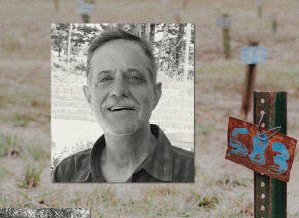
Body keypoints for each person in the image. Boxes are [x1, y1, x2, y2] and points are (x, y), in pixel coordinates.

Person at [53, 28, 194, 183]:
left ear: (155, 94)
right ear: (88, 97)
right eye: (105, 79)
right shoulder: (66, 174)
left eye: (133, 77)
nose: (118, 91)